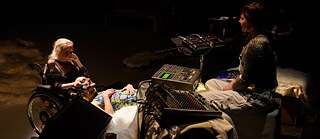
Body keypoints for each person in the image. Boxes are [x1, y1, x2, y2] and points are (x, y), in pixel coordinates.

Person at [200, 2, 278, 138]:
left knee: (205, 98)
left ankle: (228, 130)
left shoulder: (257, 44)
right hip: (250, 88)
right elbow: (246, 74)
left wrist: (226, 89)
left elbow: (244, 81)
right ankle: (226, 110)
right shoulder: (256, 38)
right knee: (211, 83)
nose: (239, 21)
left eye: (242, 18)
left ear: (251, 22)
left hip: (256, 98)